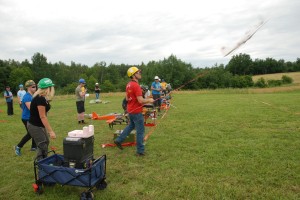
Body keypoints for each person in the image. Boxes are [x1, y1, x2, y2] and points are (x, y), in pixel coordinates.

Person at [114, 66, 154, 156]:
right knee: (140, 131)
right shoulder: (136, 86)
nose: (140, 73)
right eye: (138, 72)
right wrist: (149, 100)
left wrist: (138, 98)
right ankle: (140, 151)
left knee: (131, 126)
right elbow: (140, 100)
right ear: (133, 75)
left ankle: (119, 140)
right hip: (136, 112)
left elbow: (127, 98)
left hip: (130, 110)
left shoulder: (128, 84)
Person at [27, 78, 56, 161]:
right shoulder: (40, 98)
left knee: (46, 142)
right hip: (35, 125)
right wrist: (50, 131)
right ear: (48, 88)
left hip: (39, 124)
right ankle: (40, 165)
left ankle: (44, 162)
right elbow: (42, 116)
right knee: (42, 145)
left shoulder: (42, 98)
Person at [14, 80, 37, 156]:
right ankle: (18, 147)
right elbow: (31, 108)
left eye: (35, 86)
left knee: (34, 131)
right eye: (33, 87)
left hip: (31, 117)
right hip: (26, 118)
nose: (35, 88)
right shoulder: (27, 97)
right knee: (30, 133)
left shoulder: (32, 95)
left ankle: (34, 147)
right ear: (29, 88)